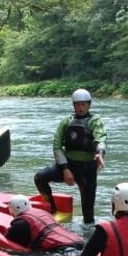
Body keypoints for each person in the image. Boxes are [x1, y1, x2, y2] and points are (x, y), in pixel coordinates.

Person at [34, 88, 107, 225]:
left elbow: (100, 138)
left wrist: (100, 153)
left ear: (88, 105)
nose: (80, 107)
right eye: (77, 104)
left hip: (87, 170)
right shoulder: (66, 122)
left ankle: (87, 236)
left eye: (83, 104)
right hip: (67, 165)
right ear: (73, 106)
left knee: (88, 216)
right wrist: (65, 169)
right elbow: (57, 145)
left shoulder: (95, 121)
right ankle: (52, 207)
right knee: (40, 177)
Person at [5, 194, 84, 252]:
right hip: (78, 241)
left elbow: (9, 243)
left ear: (12, 211)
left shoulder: (19, 224)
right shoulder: (43, 212)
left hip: (63, 249)